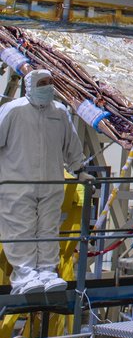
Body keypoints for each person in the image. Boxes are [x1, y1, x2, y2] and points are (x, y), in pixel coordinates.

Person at [0, 69, 85, 292]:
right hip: (17, 182)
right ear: (30, 85)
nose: (47, 86)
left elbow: (71, 145)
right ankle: (24, 274)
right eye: (42, 83)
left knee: (49, 228)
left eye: (49, 82)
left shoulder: (60, 112)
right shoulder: (13, 110)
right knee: (20, 228)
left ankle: (47, 271)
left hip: (51, 183)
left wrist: (79, 169)